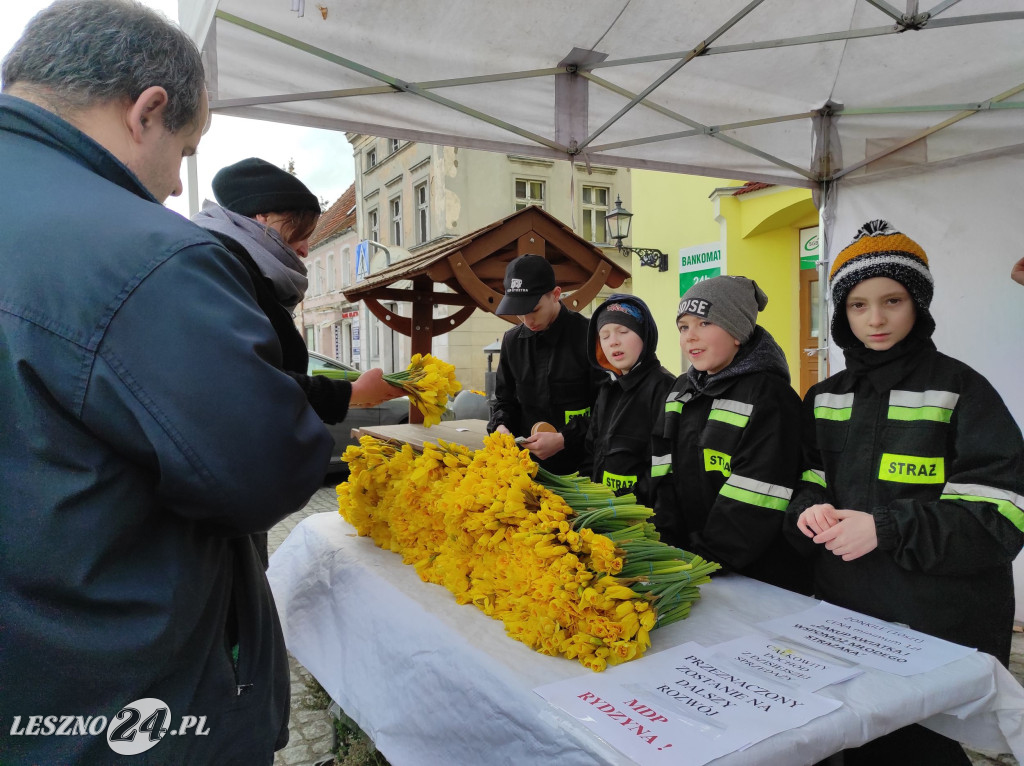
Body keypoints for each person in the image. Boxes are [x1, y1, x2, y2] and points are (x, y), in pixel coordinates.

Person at [1, 2, 334, 763]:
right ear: (147, 112)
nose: (175, 180)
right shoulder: (145, 252)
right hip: (119, 690)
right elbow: (261, 471)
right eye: (185, 151)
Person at [784, 219, 1024, 765]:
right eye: (857, 305)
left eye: (891, 299)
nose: (875, 318)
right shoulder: (824, 396)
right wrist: (808, 510)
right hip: (844, 617)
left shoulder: (963, 388)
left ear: (918, 303)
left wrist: (886, 528)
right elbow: (804, 476)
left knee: (920, 752)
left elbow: (1001, 516)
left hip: (936, 625)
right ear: (841, 313)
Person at [193, 157, 403, 566]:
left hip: (229, 486)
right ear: (262, 218)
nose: (307, 248)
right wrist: (350, 394)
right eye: (299, 235)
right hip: (219, 489)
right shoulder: (220, 266)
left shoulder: (230, 263)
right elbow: (248, 380)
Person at [649, 276, 810, 594]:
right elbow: (662, 472)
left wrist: (702, 559)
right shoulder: (681, 389)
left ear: (738, 331)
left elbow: (758, 494)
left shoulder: (770, 397)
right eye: (683, 326)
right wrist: (666, 543)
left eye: (705, 322)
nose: (690, 337)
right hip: (694, 566)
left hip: (759, 577)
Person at [487, 254, 602, 475]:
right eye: (520, 312)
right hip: (527, 470)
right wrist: (501, 427)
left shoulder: (589, 336)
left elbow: (608, 408)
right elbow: (504, 401)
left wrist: (563, 439)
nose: (527, 320)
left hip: (584, 468)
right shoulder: (512, 342)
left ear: (555, 295)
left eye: (534, 309)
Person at [585, 294, 675, 506]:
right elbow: (591, 450)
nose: (613, 341)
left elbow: (664, 469)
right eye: (604, 336)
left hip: (639, 517)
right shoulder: (608, 389)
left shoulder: (665, 388)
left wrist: (630, 507)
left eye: (623, 331)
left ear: (645, 335)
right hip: (602, 513)